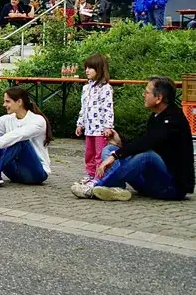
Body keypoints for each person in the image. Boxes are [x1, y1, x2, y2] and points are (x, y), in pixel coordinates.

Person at [72, 77, 194, 201]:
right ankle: (116, 187)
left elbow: (147, 142)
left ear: (158, 98)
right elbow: (143, 142)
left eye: (147, 92)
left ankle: (96, 187)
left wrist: (116, 155)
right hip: (148, 184)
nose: (143, 95)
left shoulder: (174, 119)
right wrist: (120, 142)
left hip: (170, 188)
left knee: (147, 156)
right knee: (109, 148)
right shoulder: (156, 116)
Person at [0, 86, 52, 188]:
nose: (4, 105)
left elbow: (18, 135)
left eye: (7, 101)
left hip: (35, 174)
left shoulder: (38, 120)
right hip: (14, 173)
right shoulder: (8, 119)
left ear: (19, 102)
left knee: (20, 141)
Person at [74, 54, 114, 183]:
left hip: (100, 129)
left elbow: (108, 108)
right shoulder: (86, 88)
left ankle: (99, 177)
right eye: (86, 68)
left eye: (90, 68)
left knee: (99, 154)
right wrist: (80, 124)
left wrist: (108, 126)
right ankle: (90, 174)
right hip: (89, 128)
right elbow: (83, 108)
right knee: (89, 153)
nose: (87, 71)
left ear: (99, 69)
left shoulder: (105, 88)